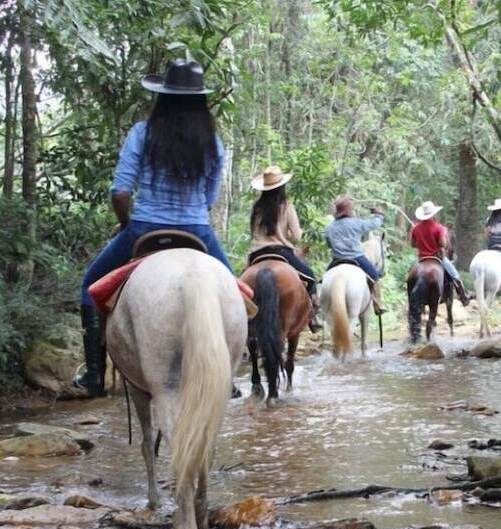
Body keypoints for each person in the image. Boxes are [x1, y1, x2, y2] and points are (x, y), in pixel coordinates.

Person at [74, 59, 232, 397]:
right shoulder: (212, 143)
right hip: (198, 230)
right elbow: (209, 198)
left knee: (90, 286)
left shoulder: (141, 134)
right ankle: (231, 370)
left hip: (144, 226)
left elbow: (120, 192)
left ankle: (94, 375)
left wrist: (125, 224)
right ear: (200, 100)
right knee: (237, 292)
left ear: (162, 97)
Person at [249, 165, 321, 332]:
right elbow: (296, 236)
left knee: (243, 287)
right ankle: (313, 317)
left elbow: (253, 232)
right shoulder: (287, 206)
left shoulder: (257, 207)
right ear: (282, 187)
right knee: (310, 278)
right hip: (281, 252)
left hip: (257, 253)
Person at [325, 196, 385, 314]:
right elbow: (374, 224)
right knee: (375, 276)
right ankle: (378, 303)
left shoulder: (330, 227)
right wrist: (379, 215)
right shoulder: (356, 223)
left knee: (324, 280)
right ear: (348, 210)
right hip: (357, 258)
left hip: (337, 260)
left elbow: (329, 244)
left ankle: (320, 311)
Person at [409, 200, 470, 307]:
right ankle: (463, 297)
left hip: (422, 259)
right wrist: (443, 243)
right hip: (438, 258)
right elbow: (443, 244)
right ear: (434, 213)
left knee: (411, 276)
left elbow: (413, 244)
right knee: (455, 275)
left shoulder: (416, 228)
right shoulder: (439, 228)